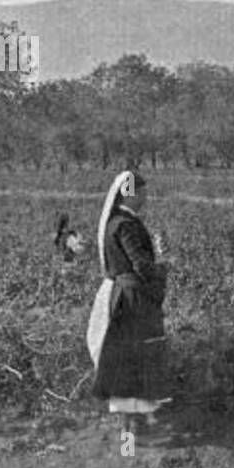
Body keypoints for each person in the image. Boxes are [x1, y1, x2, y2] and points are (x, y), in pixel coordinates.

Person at [87, 171, 169, 429]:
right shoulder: (125, 224)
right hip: (132, 298)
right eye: (142, 190)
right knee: (137, 353)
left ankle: (135, 419)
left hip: (123, 295)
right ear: (129, 193)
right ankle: (133, 423)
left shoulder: (118, 221)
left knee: (126, 354)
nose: (145, 195)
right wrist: (163, 268)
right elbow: (141, 265)